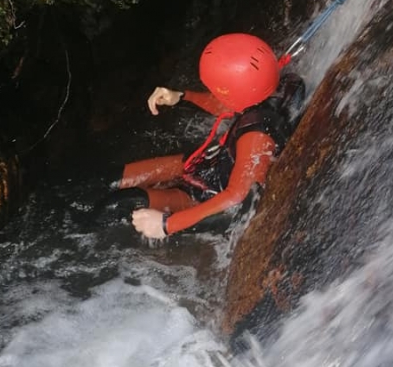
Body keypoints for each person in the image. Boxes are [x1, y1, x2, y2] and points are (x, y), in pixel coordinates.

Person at [110, 33, 304, 239]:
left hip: (204, 196)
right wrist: (183, 97)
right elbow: (231, 104)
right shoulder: (275, 88)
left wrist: (167, 225)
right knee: (113, 179)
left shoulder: (257, 137)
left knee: (122, 203)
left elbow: (237, 202)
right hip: (207, 165)